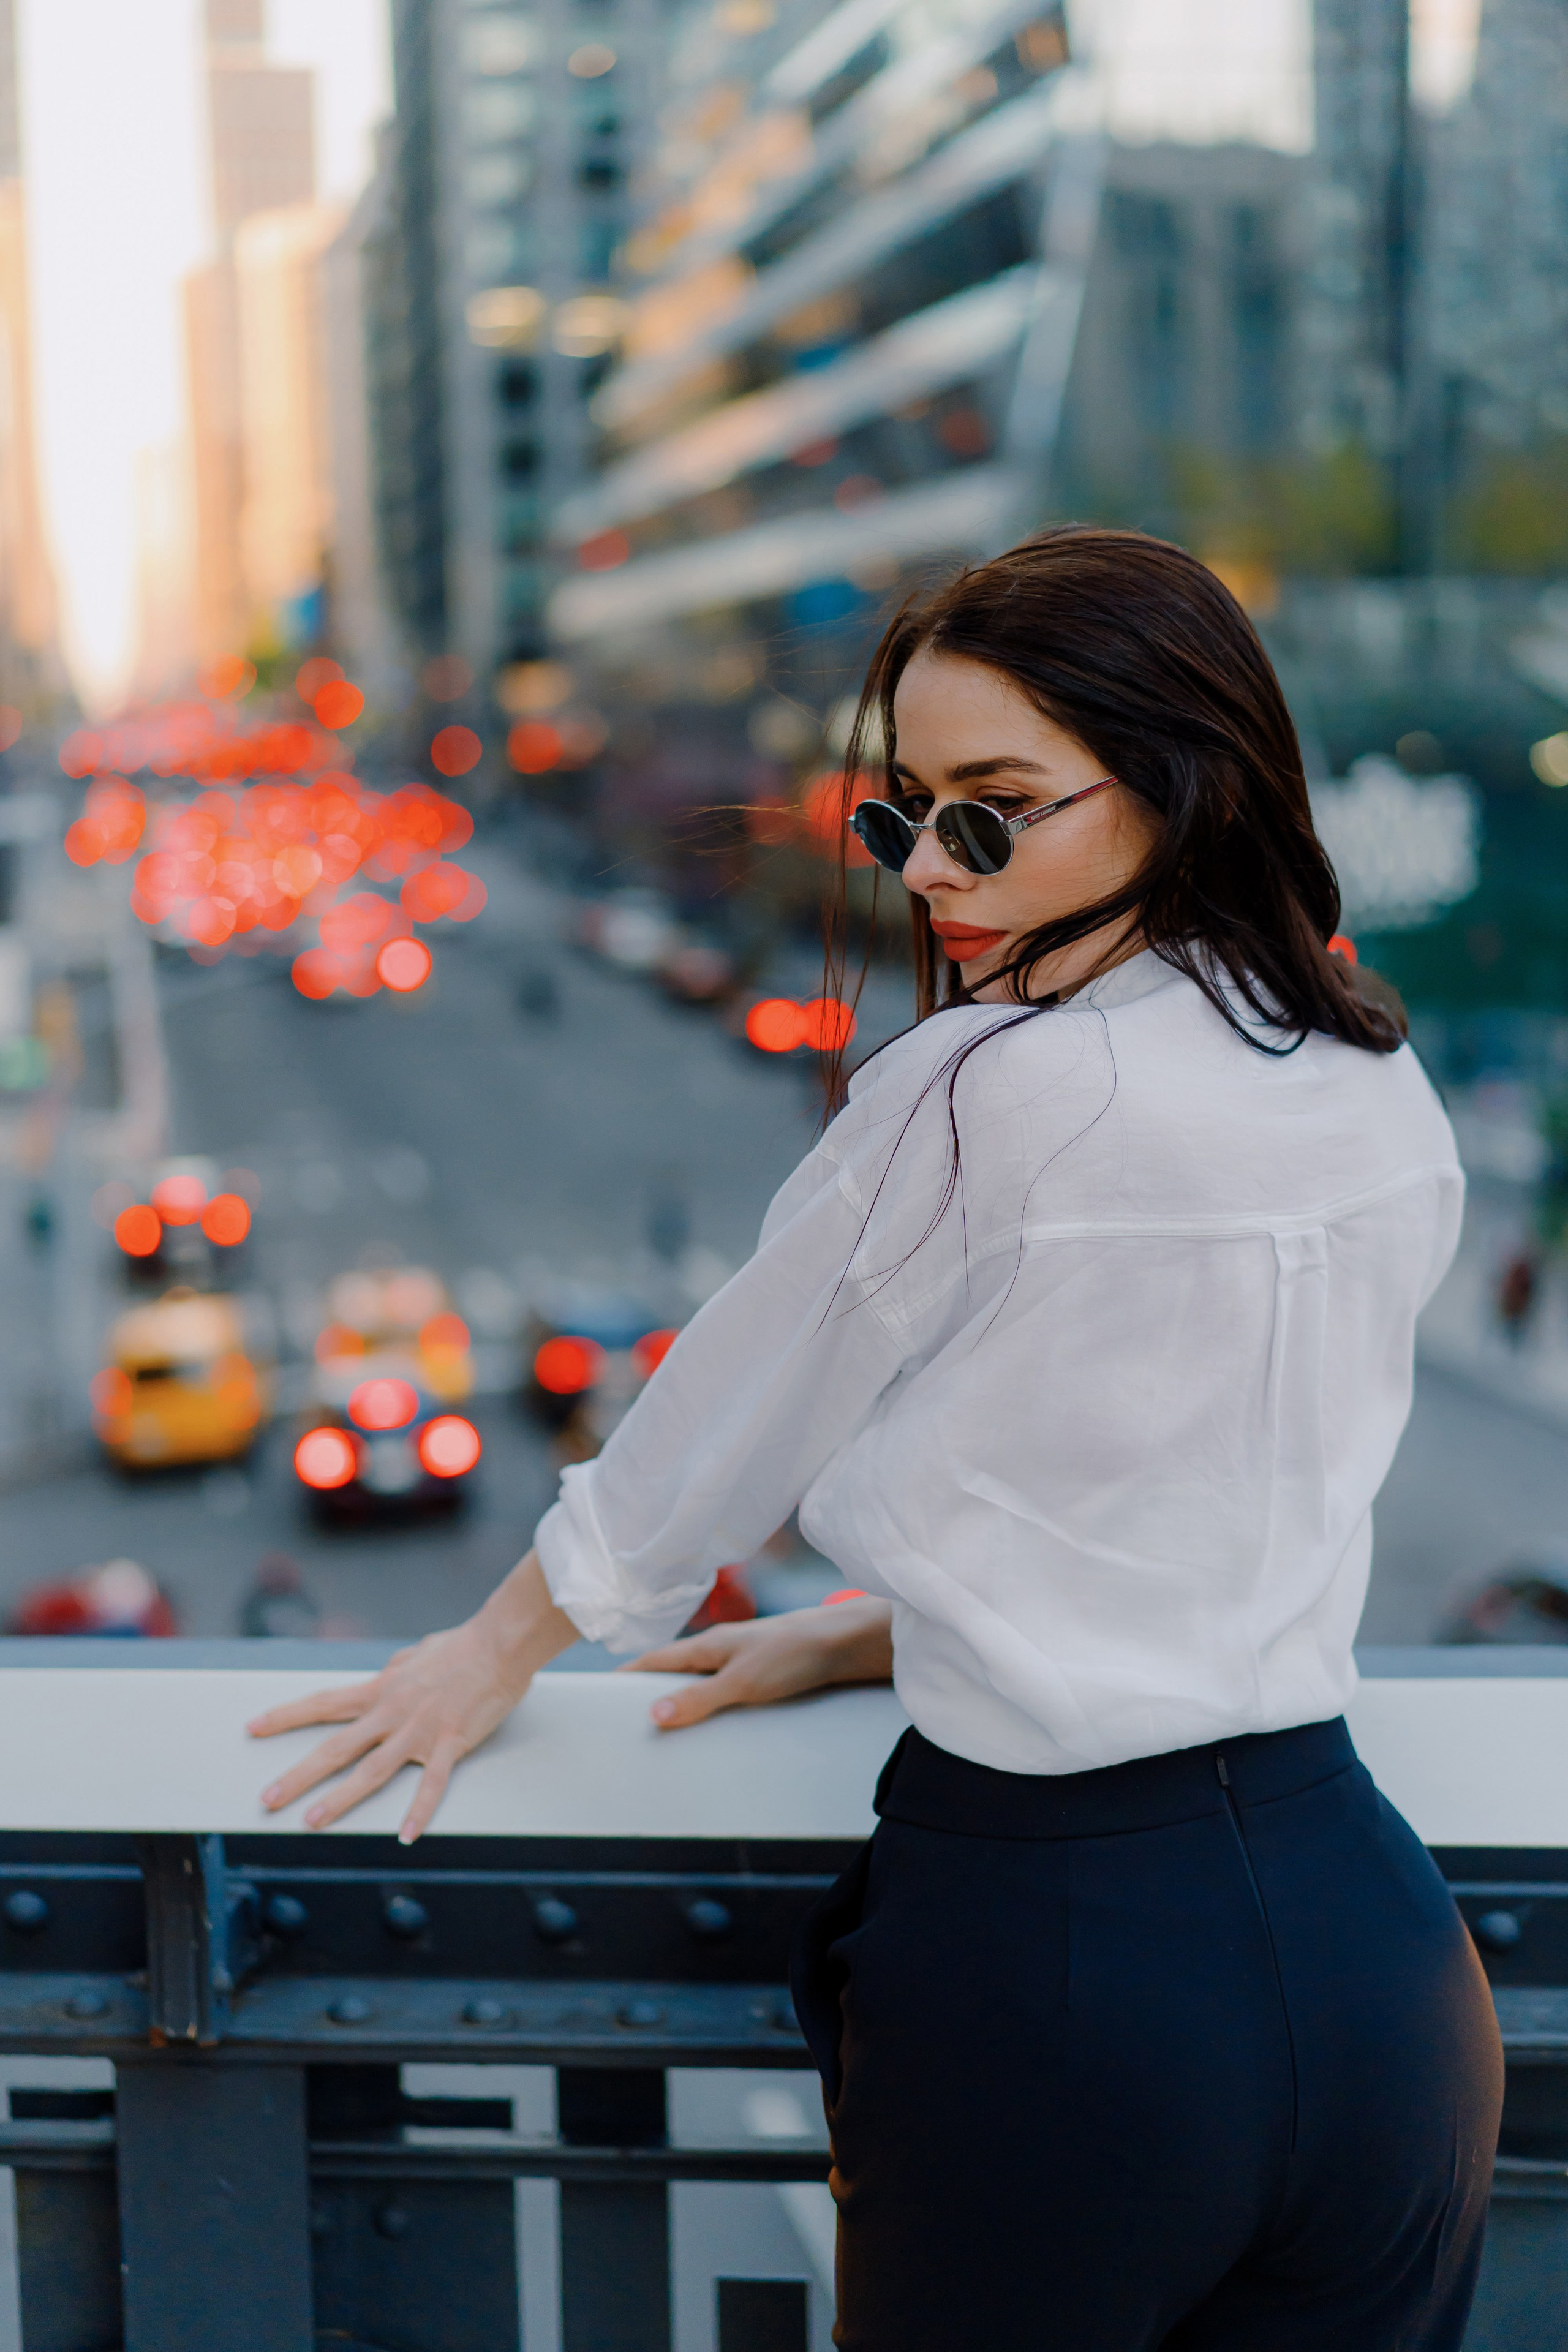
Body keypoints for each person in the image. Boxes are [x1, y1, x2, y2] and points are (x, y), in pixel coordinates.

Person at [251, 528, 1502, 2351]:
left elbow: (717, 1428)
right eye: (901, 815)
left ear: (1181, 779)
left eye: (991, 814)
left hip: (1062, 1973)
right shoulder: (1375, 1078)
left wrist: (485, 1652)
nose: (929, 870)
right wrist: (893, 1619)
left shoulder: (992, 1090)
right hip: (1379, 1962)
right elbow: (1221, 1474)